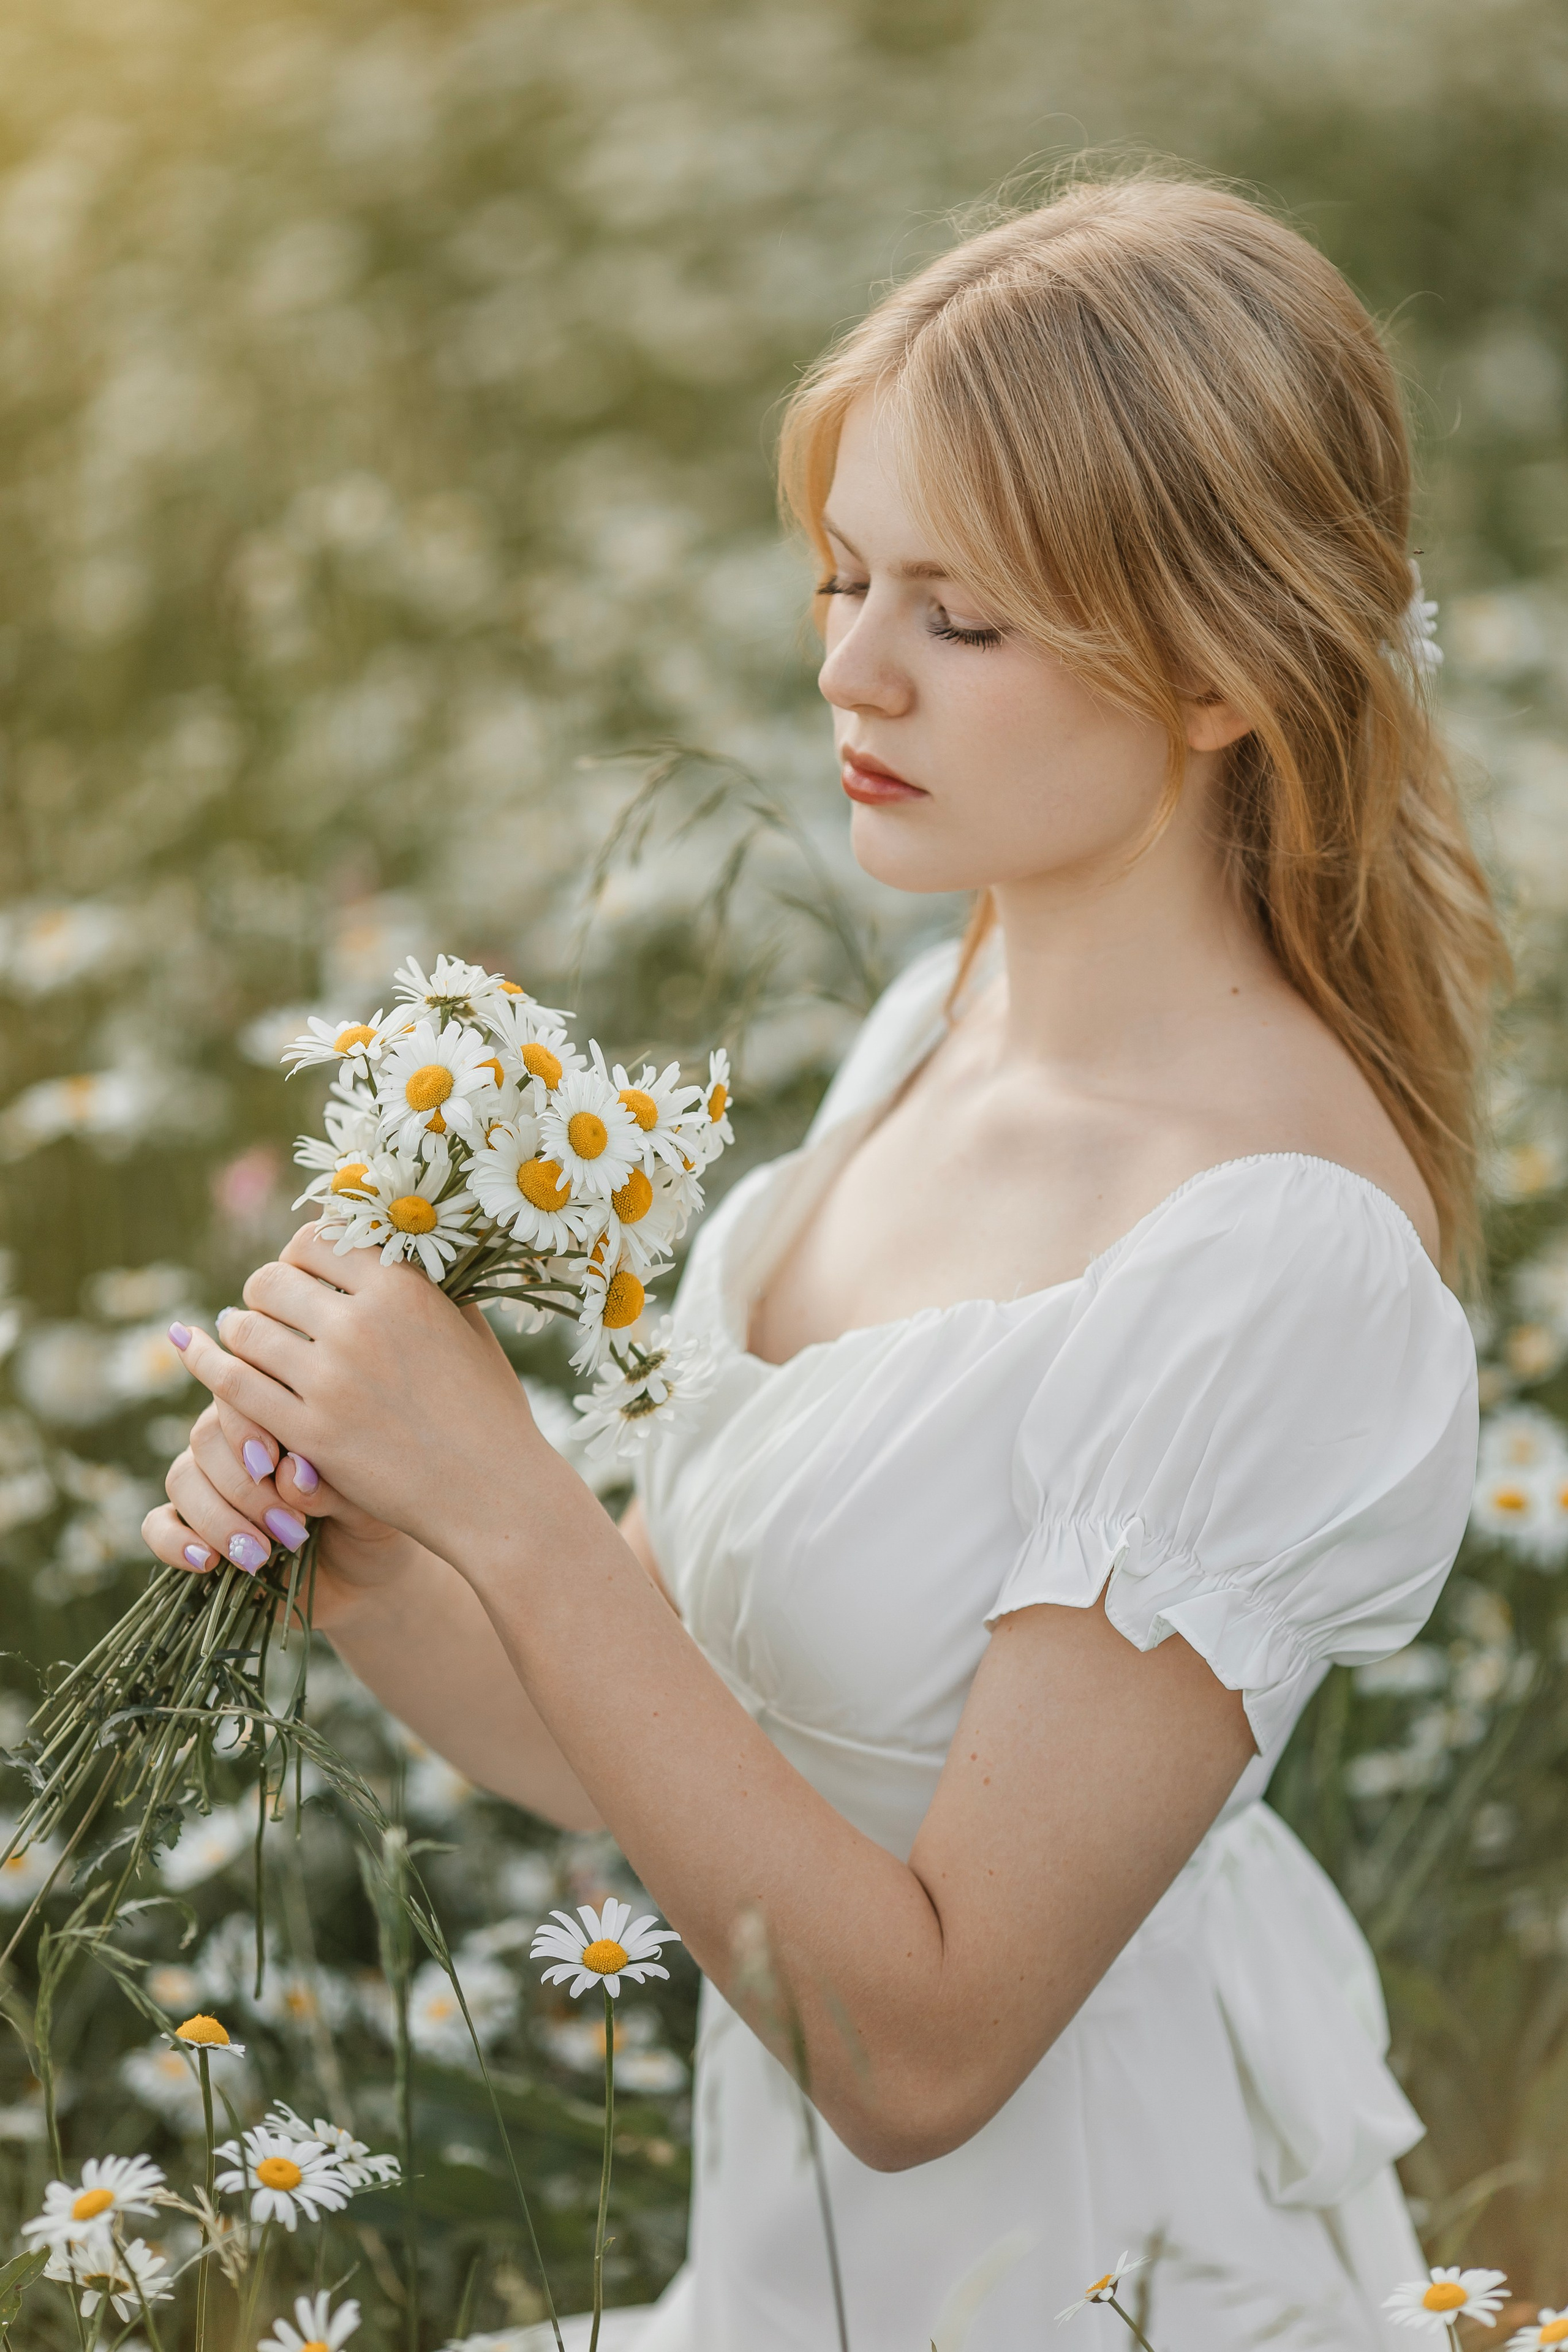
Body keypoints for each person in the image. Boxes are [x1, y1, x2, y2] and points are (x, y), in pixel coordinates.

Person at [145, 172, 1506, 2350]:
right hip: (787, 2292)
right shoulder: (935, 1022)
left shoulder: (1281, 1265)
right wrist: (383, 1561)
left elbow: (929, 2054)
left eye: (959, 620)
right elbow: (718, 1760)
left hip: (1085, 2290)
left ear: (1226, 667)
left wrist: (512, 1498)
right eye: (848, 576)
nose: (848, 669)